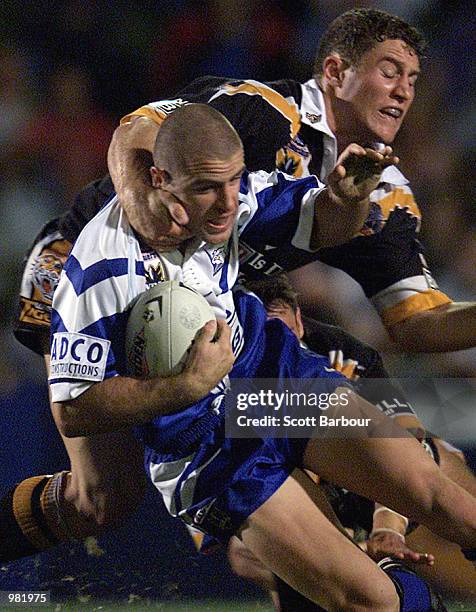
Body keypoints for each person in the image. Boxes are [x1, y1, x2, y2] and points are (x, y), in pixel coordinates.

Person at [47, 104, 476, 611]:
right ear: (160, 180)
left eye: (233, 181)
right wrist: (181, 388)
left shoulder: (235, 192)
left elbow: (323, 220)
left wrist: (346, 198)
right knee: (370, 601)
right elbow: (72, 409)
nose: (229, 202)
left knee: (444, 501)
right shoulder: (99, 274)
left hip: (273, 386)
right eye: (208, 187)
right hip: (207, 448)